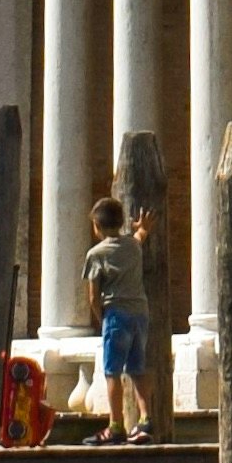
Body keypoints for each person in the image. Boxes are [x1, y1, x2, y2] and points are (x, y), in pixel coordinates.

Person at [82, 185, 153, 434]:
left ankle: (115, 424)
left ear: (97, 227)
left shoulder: (96, 254)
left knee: (112, 371)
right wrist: (142, 226)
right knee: (137, 368)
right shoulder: (133, 246)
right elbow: (140, 235)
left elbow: (93, 295)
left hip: (116, 314)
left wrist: (102, 318)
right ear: (121, 222)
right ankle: (145, 419)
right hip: (140, 314)